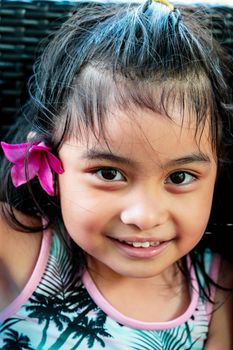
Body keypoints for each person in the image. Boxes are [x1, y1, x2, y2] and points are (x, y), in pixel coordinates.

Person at [0, 0, 232, 348]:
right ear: (48, 162)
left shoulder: (216, 288)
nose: (144, 216)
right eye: (109, 173)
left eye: (180, 177)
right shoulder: (20, 249)